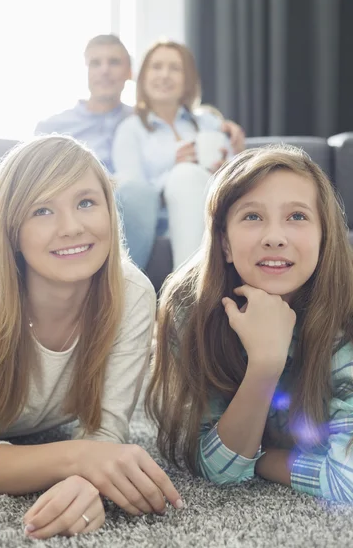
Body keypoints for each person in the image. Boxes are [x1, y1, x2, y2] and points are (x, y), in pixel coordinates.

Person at [0, 135, 183, 540]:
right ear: (12, 227)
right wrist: (78, 458)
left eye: (86, 203)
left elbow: (105, 432)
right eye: (42, 209)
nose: (72, 227)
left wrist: (86, 480)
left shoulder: (132, 294)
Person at [146, 145, 353, 503]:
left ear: (324, 237)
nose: (275, 237)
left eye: (297, 217)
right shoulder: (189, 309)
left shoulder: (345, 318)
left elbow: (346, 481)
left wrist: (258, 459)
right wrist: (265, 365)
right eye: (252, 217)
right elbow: (210, 465)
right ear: (224, 244)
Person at [112, 39, 246, 269]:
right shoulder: (131, 129)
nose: (165, 75)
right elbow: (133, 195)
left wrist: (226, 168)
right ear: (143, 77)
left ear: (188, 79)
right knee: (184, 174)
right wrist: (173, 171)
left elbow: (241, 177)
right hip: (162, 220)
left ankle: (185, 292)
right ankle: (188, 292)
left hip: (215, 205)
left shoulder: (210, 123)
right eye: (156, 67)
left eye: (175, 68)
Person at [35, 34, 159, 270]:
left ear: (129, 72)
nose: (104, 70)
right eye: (96, 63)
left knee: (138, 191)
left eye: (113, 62)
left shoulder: (146, 122)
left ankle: (125, 286)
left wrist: (221, 124)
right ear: (86, 71)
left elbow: (187, 124)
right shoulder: (52, 127)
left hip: (130, 203)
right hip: (71, 199)